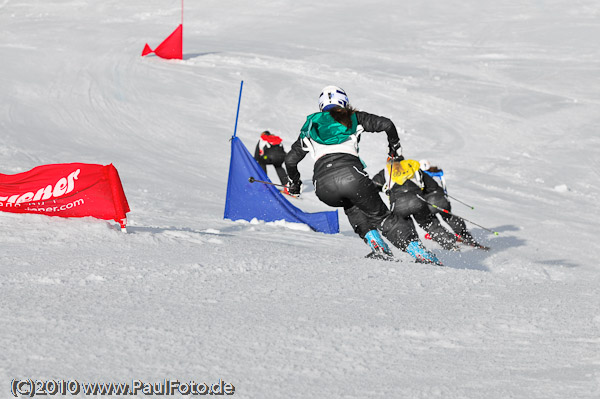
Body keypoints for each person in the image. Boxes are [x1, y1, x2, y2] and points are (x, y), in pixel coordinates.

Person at [284, 85, 441, 264]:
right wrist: (394, 147)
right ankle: (420, 253)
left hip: (323, 186)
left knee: (352, 207)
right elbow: (387, 124)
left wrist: (294, 185)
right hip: (351, 175)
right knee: (382, 216)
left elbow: (290, 160)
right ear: (344, 101)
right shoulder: (353, 117)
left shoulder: (310, 126)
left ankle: (378, 247)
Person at [372, 158, 463, 251]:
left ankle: (418, 250)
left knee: (406, 227)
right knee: (429, 223)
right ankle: (450, 245)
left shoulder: (386, 171)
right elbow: (431, 185)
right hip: (417, 200)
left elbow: (373, 186)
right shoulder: (411, 166)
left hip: (398, 204)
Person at [419, 160, 488, 250]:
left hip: (430, 201)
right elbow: (444, 186)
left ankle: (441, 235)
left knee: (430, 219)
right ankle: (464, 235)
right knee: (449, 217)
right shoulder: (438, 173)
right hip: (442, 199)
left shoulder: (420, 174)